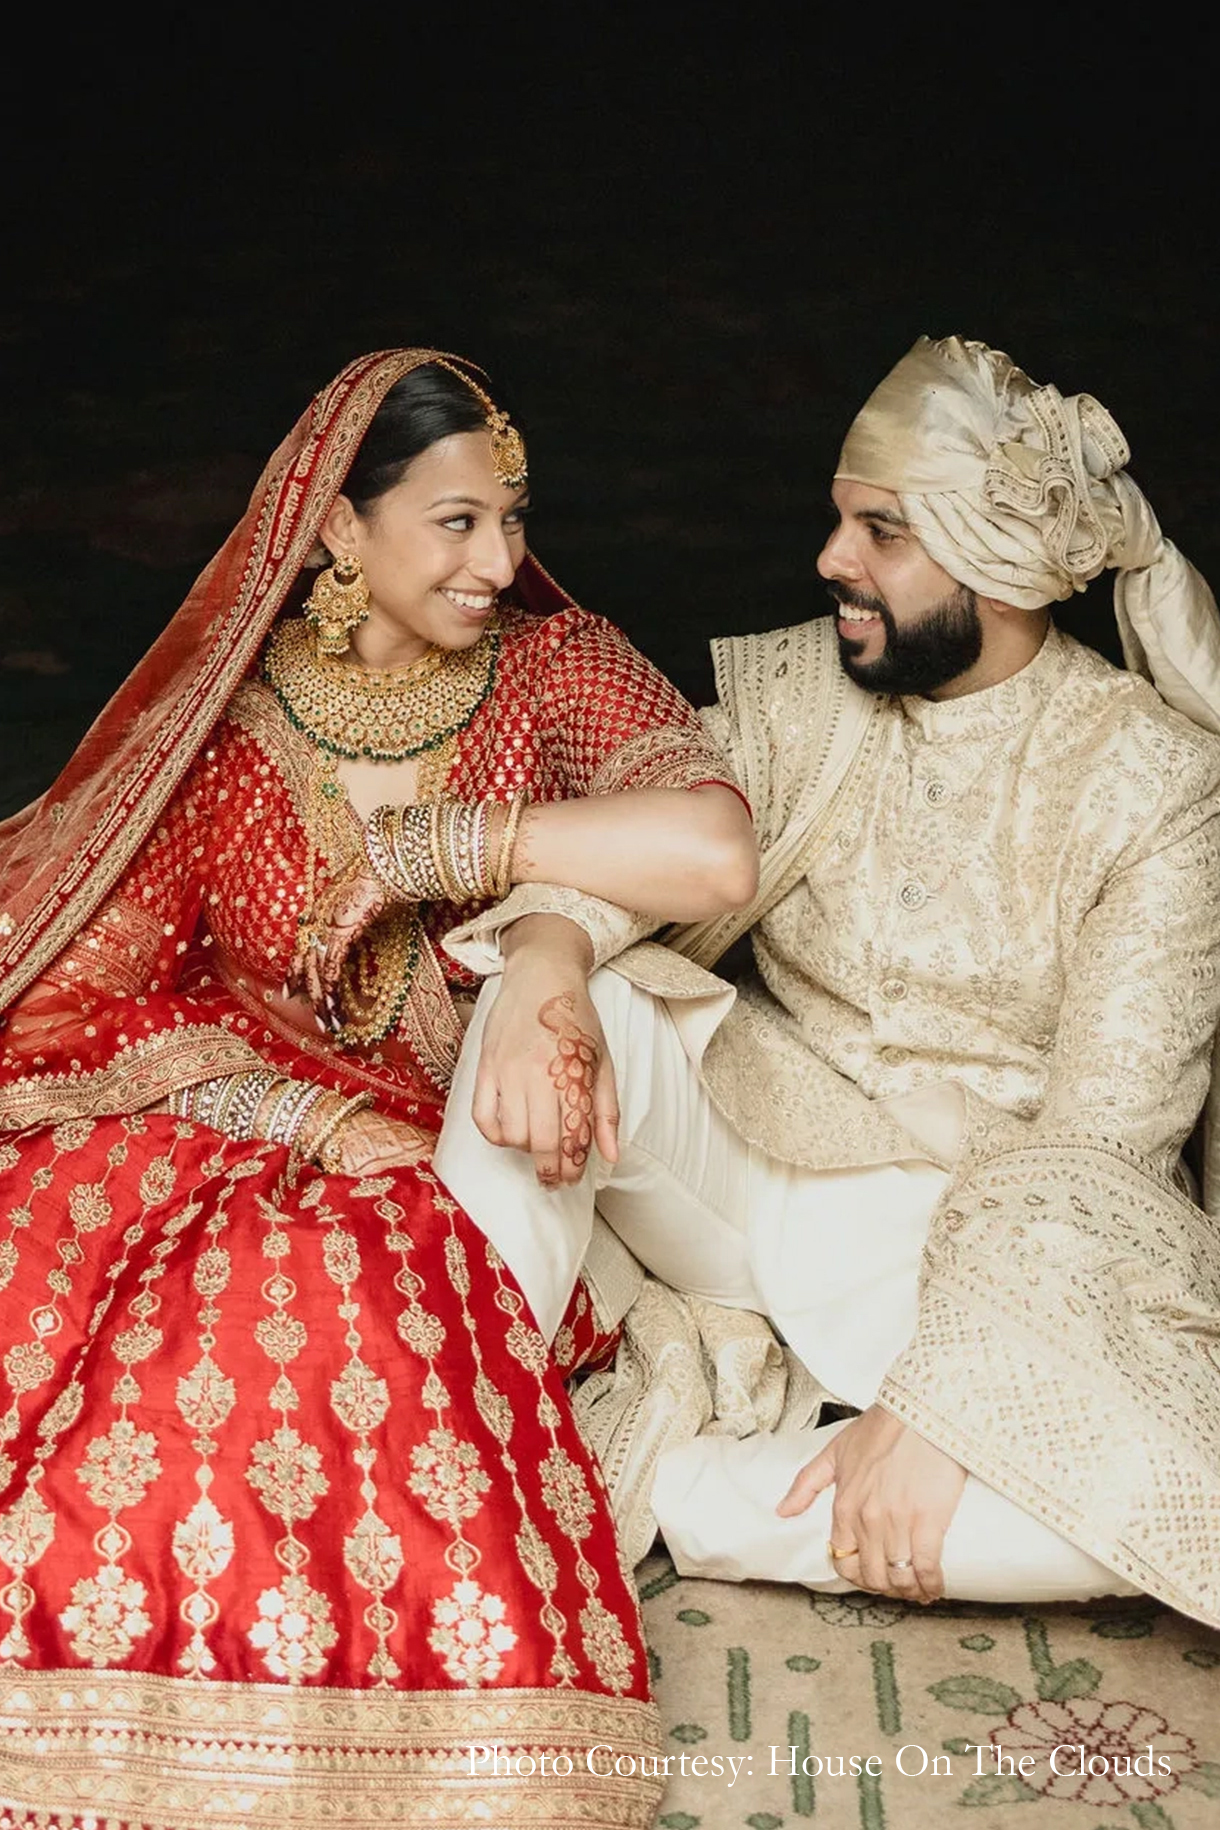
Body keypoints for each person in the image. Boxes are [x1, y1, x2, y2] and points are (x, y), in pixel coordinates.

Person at [0, 347, 756, 1825]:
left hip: (468, 1172)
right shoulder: (231, 730)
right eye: (457, 522)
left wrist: (451, 850)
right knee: (120, 1301)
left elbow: (714, 849)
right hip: (245, 1132)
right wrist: (306, 1115)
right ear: (340, 529)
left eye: (513, 519)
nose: (503, 559)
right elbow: (113, 993)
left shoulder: (554, 668)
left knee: (320, 1288)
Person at [433, 335, 1220, 1632]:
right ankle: (445, 1443)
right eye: (839, 520)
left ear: (999, 560)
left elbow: (1102, 1143)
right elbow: (652, 842)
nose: (831, 562)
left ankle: (640, 1489)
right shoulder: (809, 694)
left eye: (881, 532)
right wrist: (549, 957)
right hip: (758, 1163)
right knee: (588, 1009)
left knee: (1153, 1514)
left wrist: (940, 1407)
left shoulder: (1153, 782)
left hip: (986, 1252)